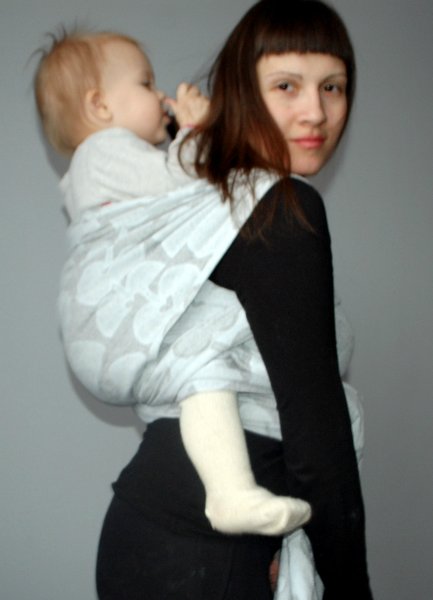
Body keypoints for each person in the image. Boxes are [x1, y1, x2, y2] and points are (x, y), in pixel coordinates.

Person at [42, 0, 374, 597]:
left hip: (163, 536)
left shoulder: (211, 199)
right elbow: (315, 435)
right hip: (204, 555)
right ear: (243, 92)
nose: (315, 111)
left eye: (333, 86)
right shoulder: (276, 207)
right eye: (286, 85)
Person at [34, 29, 311, 537]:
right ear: (99, 106)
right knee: (205, 351)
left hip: (114, 321)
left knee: (199, 370)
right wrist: (195, 128)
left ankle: (229, 492)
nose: (159, 94)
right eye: (145, 83)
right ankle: (230, 491)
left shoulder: (99, 167)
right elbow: (178, 180)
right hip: (110, 317)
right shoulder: (103, 152)